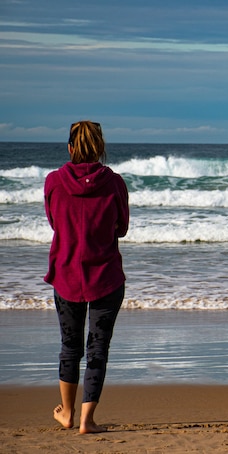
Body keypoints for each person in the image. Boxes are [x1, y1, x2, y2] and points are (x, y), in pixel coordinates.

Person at [44, 121, 129, 434]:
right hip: (106, 274)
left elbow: (54, 222)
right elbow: (122, 227)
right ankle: (87, 420)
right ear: (100, 149)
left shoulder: (53, 182)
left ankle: (66, 412)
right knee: (98, 348)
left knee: (70, 346)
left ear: (70, 148)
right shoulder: (115, 183)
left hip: (66, 272)